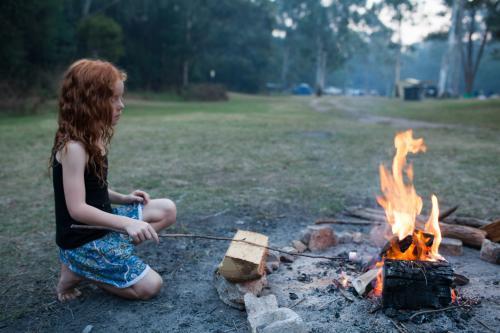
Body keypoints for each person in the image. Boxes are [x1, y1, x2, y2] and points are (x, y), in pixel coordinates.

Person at [50, 59, 176, 302]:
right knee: (151, 286)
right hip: (83, 238)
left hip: (104, 226)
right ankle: (78, 269)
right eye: (114, 99)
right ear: (90, 101)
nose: (122, 105)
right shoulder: (73, 147)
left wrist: (123, 198)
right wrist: (125, 224)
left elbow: (95, 190)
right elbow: (77, 208)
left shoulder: (92, 137)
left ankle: (110, 254)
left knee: (167, 209)